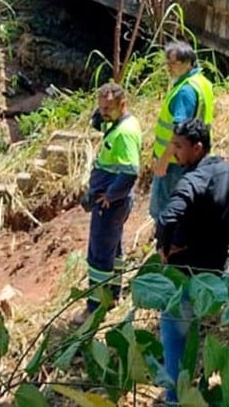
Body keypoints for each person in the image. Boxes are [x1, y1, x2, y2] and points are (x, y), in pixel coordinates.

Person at [155, 118, 229, 404]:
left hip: (186, 273)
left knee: (173, 337)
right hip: (214, 271)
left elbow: (168, 216)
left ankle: (174, 399)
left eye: (179, 146)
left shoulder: (194, 178)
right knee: (192, 332)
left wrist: (165, 247)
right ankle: (189, 389)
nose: (175, 152)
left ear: (197, 148)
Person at [73, 83, 142, 324]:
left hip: (111, 205)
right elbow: (98, 124)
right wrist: (101, 113)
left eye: (108, 108)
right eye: (101, 107)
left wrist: (109, 196)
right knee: (114, 249)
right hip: (113, 202)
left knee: (99, 254)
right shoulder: (118, 123)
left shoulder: (124, 133)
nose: (103, 112)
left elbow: (131, 171)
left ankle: (94, 308)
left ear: (122, 105)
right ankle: (113, 295)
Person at [150, 41, 215, 225]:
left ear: (188, 63)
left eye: (174, 63)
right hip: (193, 157)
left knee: (164, 212)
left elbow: (179, 132)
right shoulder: (202, 83)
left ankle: (164, 249)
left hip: (174, 162)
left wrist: (163, 160)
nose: (169, 68)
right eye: (167, 63)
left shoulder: (185, 91)